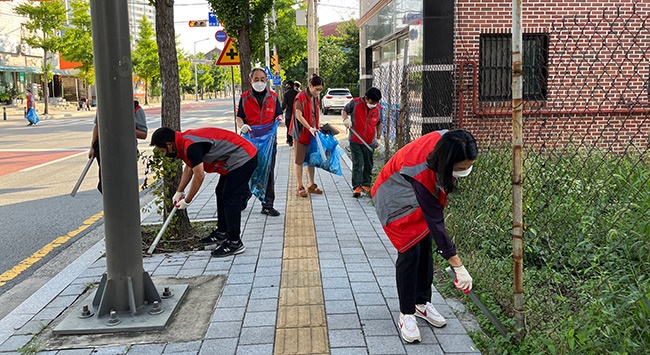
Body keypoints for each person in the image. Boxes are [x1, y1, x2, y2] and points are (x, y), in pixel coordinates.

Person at [371, 129, 477, 343]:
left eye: (468, 165)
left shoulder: (452, 142)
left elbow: (433, 216)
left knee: (425, 247)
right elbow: (435, 219)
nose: (465, 170)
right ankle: (406, 314)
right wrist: (458, 265)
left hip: (412, 193)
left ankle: (422, 303)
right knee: (409, 251)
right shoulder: (421, 171)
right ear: (447, 163)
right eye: (460, 168)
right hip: (393, 196)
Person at [150, 126, 258, 257]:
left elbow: (199, 176)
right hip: (234, 159)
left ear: (169, 144)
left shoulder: (190, 145)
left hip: (244, 157)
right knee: (221, 192)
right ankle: (222, 232)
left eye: (163, 151)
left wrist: (187, 200)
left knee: (230, 196)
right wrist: (179, 191)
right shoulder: (184, 142)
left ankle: (235, 242)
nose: (165, 154)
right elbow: (189, 168)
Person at [236, 68, 283, 217]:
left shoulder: (273, 97)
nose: (260, 82)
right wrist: (242, 125)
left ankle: (267, 205)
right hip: (250, 142)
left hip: (269, 142)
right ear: (250, 80)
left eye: (262, 79)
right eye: (256, 79)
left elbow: (278, 114)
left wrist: (279, 120)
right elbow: (239, 117)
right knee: (248, 171)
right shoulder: (244, 98)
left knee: (268, 172)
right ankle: (242, 200)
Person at [88, 100, 148, 193]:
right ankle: (112, 206)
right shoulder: (104, 107)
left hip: (125, 152)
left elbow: (143, 134)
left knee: (124, 183)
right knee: (105, 184)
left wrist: (124, 129)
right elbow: (97, 125)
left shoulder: (136, 109)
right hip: (105, 151)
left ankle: (124, 205)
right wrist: (92, 147)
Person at [342, 87, 382, 198]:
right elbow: (344, 111)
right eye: (372, 102)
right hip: (356, 140)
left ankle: (366, 185)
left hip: (370, 141)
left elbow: (379, 123)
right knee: (358, 163)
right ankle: (357, 187)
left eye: (376, 102)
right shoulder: (355, 103)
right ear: (366, 98)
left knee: (368, 164)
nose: (374, 104)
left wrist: (378, 137)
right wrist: (346, 119)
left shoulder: (378, 108)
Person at [290, 74, 325, 197]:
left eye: (320, 90)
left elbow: (315, 114)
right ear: (310, 86)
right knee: (299, 160)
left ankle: (311, 184)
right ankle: (299, 186)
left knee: (311, 160)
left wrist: (317, 127)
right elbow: (299, 115)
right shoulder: (301, 97)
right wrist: (309, 127)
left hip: (313, 133)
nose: (318, 92)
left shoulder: (316, 98)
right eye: (316, 89)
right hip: (301, 133)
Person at [281, 80, 299, 147]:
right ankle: (296, 139)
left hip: (289, 113)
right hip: (297, 112)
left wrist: (280, 111)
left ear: (288, 85)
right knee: (297, 126)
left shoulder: (286, 93)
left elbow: (284, 104)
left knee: (289, 127)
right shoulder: (297, 93)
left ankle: (289, 140)